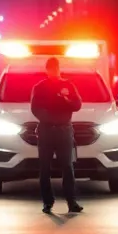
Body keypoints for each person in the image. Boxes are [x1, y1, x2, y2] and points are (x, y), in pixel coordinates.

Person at [31, 56, 83, 214]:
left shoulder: (67, 85)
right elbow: (35, 108)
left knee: (67, 166)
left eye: (56, 68)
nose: (53, 71)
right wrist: (48, 117)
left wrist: (66, 100)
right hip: (46, 130)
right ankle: (48, 202)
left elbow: (77, 104)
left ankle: (71, 201)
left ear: (59, 69)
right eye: (50, 69)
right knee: (44, 168)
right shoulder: (40, 87)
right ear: (46, 70)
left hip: (64, 130)